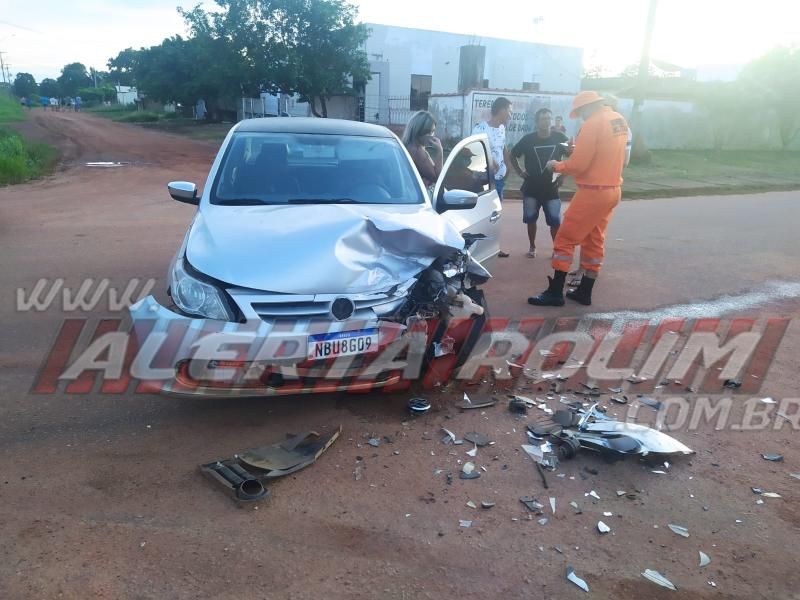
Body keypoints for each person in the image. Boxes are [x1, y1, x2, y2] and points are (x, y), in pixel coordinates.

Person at [527, 90, 629, 307]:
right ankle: (585, 291)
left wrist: (557, 165)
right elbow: (604, 152)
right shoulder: (618, 120)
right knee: (595, 239)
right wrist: (578, 149)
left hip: (593, 191)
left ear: (588, 107)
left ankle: (555, 292)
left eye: (581, 112)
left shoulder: (593, 123)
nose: (581, 116)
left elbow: (579, 165)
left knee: (564, 239)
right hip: (612, 190)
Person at [510, 108, 569, 258]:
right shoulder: (528, 139)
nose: (547, 121)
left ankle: (556, 249)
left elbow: (573, 155)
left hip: (552, 188)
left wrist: (563, 174)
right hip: (532, 187)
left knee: (555, 221)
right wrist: (520, 172)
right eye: (543, 119)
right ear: (537, 122)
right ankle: (532, 247)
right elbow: (513, 155)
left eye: (549, 118)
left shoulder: (560, 137)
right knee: (531, 219)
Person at [473, 96, 513, 256]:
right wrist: (489, 161)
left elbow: (502, 148)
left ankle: (493, 248)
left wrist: (508, 166)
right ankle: (476, 249)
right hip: (482, 180)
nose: (511, 115)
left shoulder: (502, 129)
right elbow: (472, 152)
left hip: (499, 180)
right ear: (502, 110)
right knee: (481, 215)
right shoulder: (480, 129)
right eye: (509, 112)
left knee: (495, 215)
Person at [402, 110, 443, 189]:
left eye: (433, 131)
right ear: (418, 131)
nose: (432, 136)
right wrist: (439, 151)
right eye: (428, 132)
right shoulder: (418, 151)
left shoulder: (406, 146)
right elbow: (438, 178)